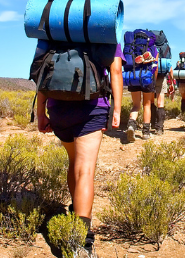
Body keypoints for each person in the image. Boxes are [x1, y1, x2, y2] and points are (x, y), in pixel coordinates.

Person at [36, 44, 123, 257]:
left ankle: (77, 210)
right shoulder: (103, 28)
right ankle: (81, 242)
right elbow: (116, 71)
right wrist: (117, 109)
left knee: (73, 161)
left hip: (58, 106)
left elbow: (40, 71)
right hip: (92, 107)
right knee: (85, 169)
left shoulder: (54, 29)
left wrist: (40, 112)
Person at [151, 65, 174, 135]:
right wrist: (171, 82)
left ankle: (153, 123)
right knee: (160, 103)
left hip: (150, 78)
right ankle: (160, 128)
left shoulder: (152, 53)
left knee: (151, 102)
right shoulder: (165, 54)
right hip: (161, 78)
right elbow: (170, 69)